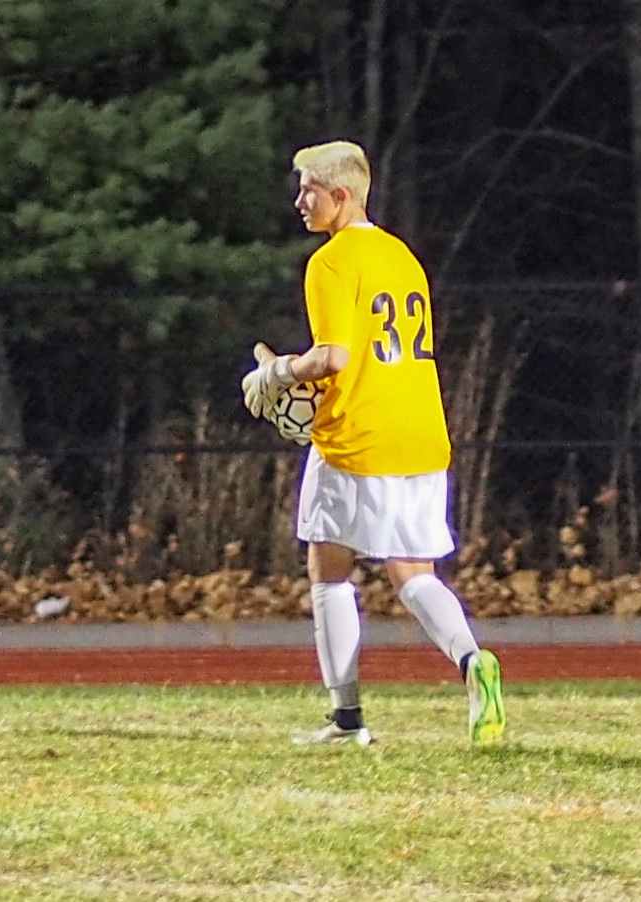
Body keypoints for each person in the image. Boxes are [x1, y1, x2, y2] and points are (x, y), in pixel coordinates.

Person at [242, 140, 506, 747]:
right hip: (421, 432)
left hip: (356, 437)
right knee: (413, 574)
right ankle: (473, 661)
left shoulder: (331, 262)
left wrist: (277, 373)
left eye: (309, 189)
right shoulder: (402, 256)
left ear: (341, 195)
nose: (299, 201)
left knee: (329, 573)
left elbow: (333, 358)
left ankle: (347, 718)